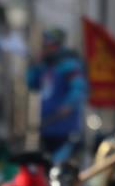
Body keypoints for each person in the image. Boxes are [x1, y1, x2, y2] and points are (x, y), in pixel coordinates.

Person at [27, 28, 88, 162]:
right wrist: (34, 66)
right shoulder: (44, 65)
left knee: (60, 163)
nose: (45, 48)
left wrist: (68, 105)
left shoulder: (69, 64)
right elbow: (32, 84)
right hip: (46, 126)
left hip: (64, 127)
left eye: (48, 45)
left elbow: (79, 88)